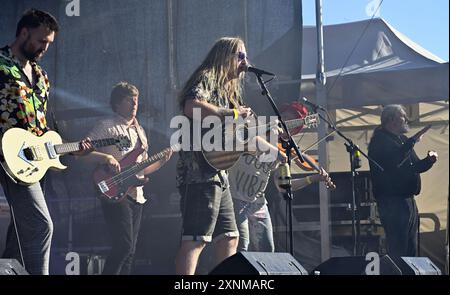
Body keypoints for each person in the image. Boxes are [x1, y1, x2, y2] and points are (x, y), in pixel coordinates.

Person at [174, 37, 285, 275]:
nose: (245, 62)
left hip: (219, 174)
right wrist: (232, 113)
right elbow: (191, 106)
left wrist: (272, 150)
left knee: (230, 238)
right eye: (240, 56)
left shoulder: (229, 92)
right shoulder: (206, 78)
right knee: (196, 240)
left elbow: (244, 137)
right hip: (198, 172)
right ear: (225, 56)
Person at [0, 9, 92, 275]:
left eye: (49, 44)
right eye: (42, 41)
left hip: (28, 162)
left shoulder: (41, 77)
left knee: (25, 230)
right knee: (40, 226)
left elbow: (42, 128)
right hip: (5, 152)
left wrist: (73, 149)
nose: (44, 48)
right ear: (24, 32)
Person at [83, 82, 172, 275]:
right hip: (113, 190)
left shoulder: (140, 132)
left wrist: (162, 162)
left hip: (136, 194)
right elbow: (84, 153)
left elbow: (142, 169)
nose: (134, 103)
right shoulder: (106, 126)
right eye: (128, 100)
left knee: (130, 251)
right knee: (123, 245)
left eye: (136, 100)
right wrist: (107, 157)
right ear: (116, 103)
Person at [368, 104, 438, 257]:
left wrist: (429, 160)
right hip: (392, 202)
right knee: (399, 248)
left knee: (411, 249)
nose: (406, 119)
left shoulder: (402, 140)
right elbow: (394, 161)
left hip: (408, 201)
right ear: (391, 120)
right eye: (402, 116)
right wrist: (413, 140)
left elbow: (413, 166)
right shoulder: (379, 141)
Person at [230, 150, 332, 253]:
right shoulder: (253, 138)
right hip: (236, 199)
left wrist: (312, 179)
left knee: (267, 249)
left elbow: (284, 186)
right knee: (242, 247)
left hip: (258, 203)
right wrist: (276, 150)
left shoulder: (279, 154)